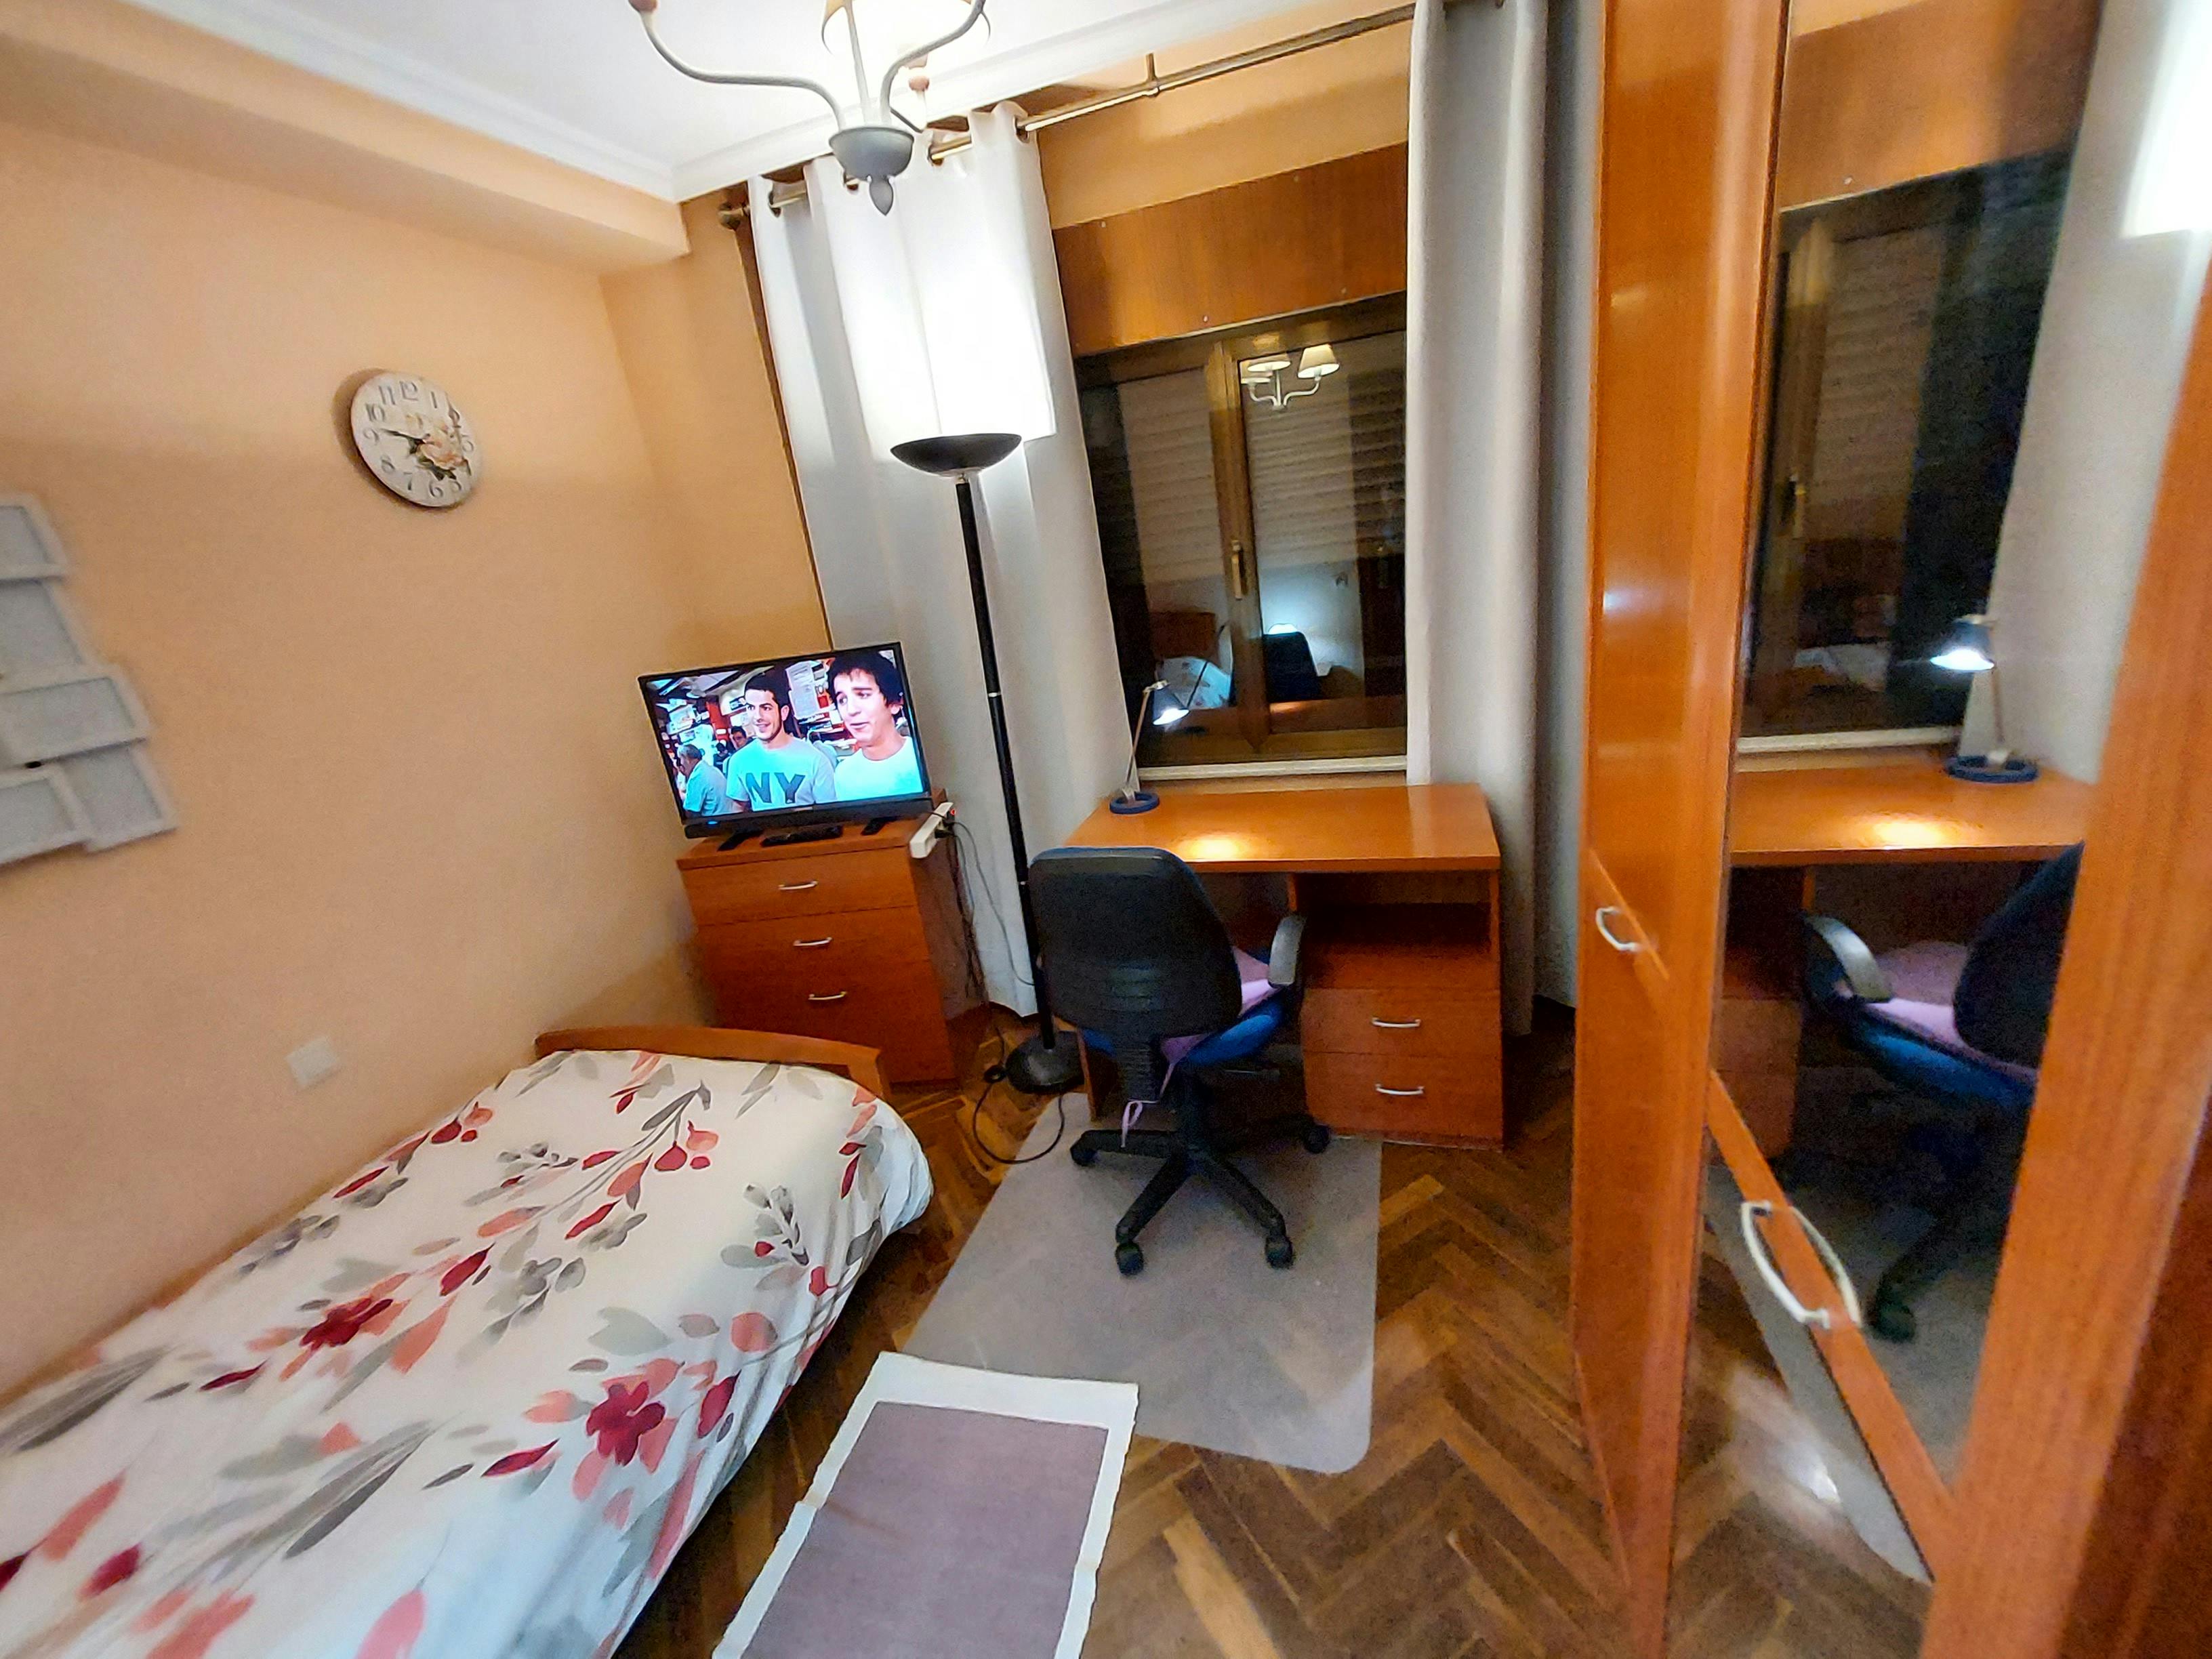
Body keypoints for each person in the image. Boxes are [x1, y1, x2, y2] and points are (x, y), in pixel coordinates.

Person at [722, 667, 837, 809]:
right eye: (751, 708)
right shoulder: (738, 761)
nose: (757, 717)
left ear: (784, 713)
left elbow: (830, 813)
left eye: (766, 708)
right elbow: (738, 807)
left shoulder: (816, 760)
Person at [830, 651, 924, 801]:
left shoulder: (923, 757)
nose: (851, 710)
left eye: (863, 695)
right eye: (842, 700)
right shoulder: (843, 775)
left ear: (894, 703)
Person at [676, 725, 730, 817]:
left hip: (716, 820)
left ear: (687, 759)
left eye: (680, 759)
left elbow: (689, 811)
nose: (680, 763)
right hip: (727, 815)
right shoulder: (711, 769)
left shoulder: (697, 776)